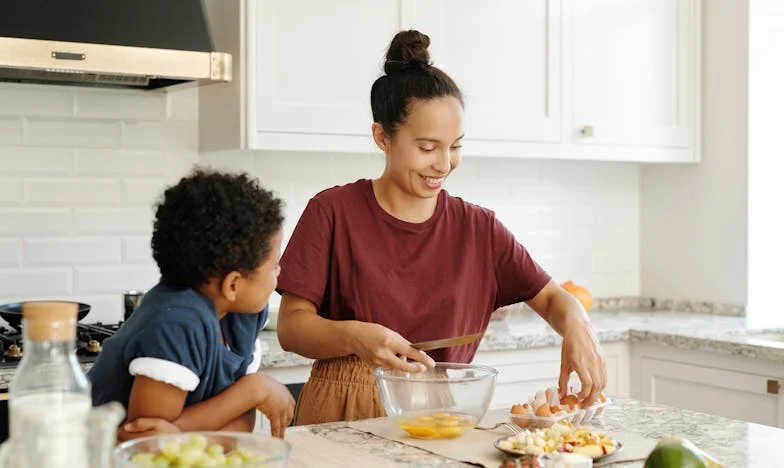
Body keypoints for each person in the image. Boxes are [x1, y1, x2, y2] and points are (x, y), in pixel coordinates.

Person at [275, 30, 607, 426]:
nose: (444, 163)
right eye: (428, 148)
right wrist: (354, 338)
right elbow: (291, 327)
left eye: (456, 146)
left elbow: (554, 299)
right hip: (344, 409)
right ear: (383, 136)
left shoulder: (479, 229)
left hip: (444, 413)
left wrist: (578, 326)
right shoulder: (332, 211)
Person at [88, 168, 295, 439]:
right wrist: (252, 390)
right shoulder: (176, 323)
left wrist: (245, 399)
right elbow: (144, 441)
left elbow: (242, 421)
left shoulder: (242, 316)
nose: (278, 274)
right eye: (274, 265)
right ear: (232, 284)